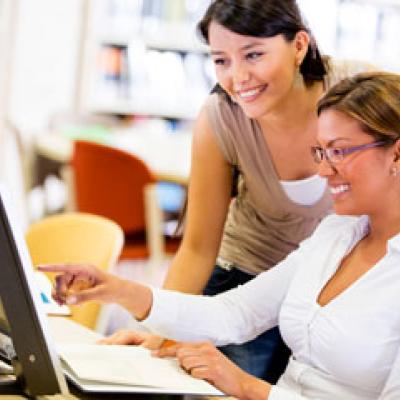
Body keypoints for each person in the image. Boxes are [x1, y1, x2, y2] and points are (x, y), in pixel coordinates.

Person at [42, 71, 400, 399]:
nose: (323, 170)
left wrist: (246, 386)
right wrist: (120, 290)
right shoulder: (337, 234)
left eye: (338, 151)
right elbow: (235, 313)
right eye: (321, 152)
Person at [104, 0, 374, 382]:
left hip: (330, 289)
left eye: (253, 55)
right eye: (221, 60)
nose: (238, 77)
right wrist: (158, 331)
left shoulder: (357, 91)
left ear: (299, 45)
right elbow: (197, 247)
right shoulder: (221, 118)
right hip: (246, 278)